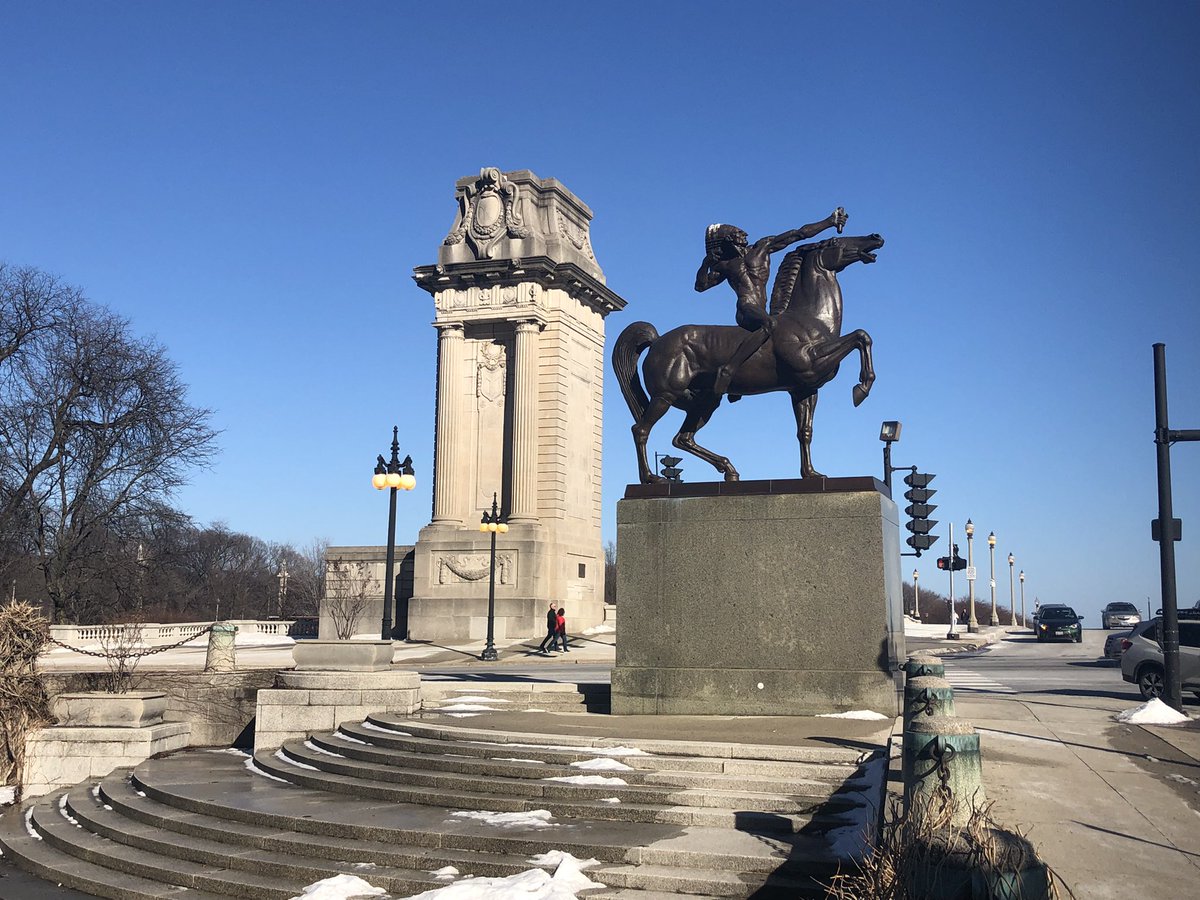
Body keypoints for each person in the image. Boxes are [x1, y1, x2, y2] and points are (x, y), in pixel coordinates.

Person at [695, 208, 847, 396]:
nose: (743, 234)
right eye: (736, 233)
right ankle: (728, 370)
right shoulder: (725, 265)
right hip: (746, 308)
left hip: (761, 309)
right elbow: (701, 286)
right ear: (727, 240)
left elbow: (798, 234)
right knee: (770, 323)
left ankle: (745, 380)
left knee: (776, 325)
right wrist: (706, 264)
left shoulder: (762, 248)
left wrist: (829, 222)